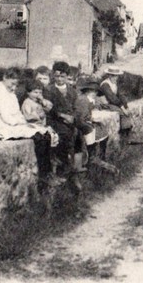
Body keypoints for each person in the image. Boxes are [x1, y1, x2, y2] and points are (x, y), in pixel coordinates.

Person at [0, 68, 57, 189]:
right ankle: (43, 175)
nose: (14, 87)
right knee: (39, 137)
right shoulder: (0, 94)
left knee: (45, 134)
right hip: (5, 125)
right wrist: (22, 123)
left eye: (16, 84)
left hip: (16, 123)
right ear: (5, 78)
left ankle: (47, 172)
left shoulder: (11, 94)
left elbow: (18, 113)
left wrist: (23, 122)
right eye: (12, 83)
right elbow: (7, 118)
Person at [44, 61, 86, 191]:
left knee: (79, 133)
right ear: (53, 76)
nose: (60, 79)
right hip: (55, 120)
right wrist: (62, 116)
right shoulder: (49, 90)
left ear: (67, 76)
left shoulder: (72, 91)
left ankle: (76, 168)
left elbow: (76, 107)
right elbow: (49, 108)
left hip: (70, 120)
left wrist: (73, 117)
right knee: (65, 135)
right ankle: (67, 169)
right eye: (57, 76)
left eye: (62, 76)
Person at [76, 78, 118, 175]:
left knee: (103, 130)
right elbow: (81, 117)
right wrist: (92, 118)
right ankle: (93, 157)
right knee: (97, 131)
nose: (94, 93)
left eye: (95, 91)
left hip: (87, 122)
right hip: (82, 125)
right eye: (93, 91)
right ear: (88, 91)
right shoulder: (83, 100)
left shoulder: (90, 100)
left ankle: (99, 157)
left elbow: (92, 111)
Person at [98, 66, 133, 134]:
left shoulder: (114, 84)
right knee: (121, 112)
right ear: (109, 75)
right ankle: (123, 131)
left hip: (111, 103)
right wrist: (123, 108)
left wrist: (126, 107)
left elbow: (120, 95)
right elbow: (112, 97)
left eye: (116, 76)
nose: (115, 78)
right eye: (113, 76)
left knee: (127, 112)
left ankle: (128, 130)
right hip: (104, 104)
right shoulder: (105, 84)